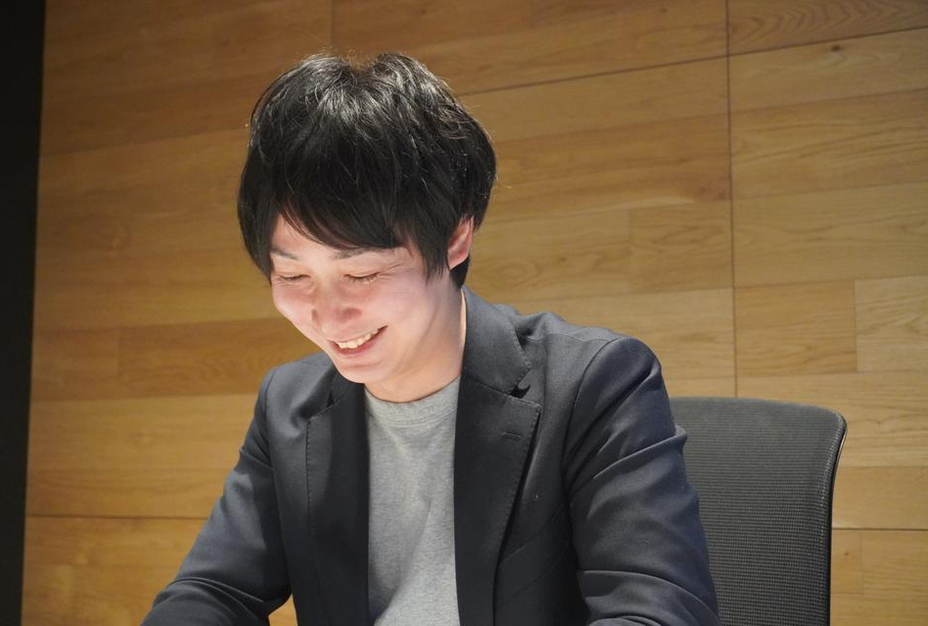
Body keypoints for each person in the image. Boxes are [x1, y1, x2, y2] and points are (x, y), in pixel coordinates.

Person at [142, 52, 719, 626]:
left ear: (455, 236)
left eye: (362, 273)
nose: (329, 316)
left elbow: (660, 613)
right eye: (293, 277)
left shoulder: (597, 384)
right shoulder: (289, 405)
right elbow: (213, 590)